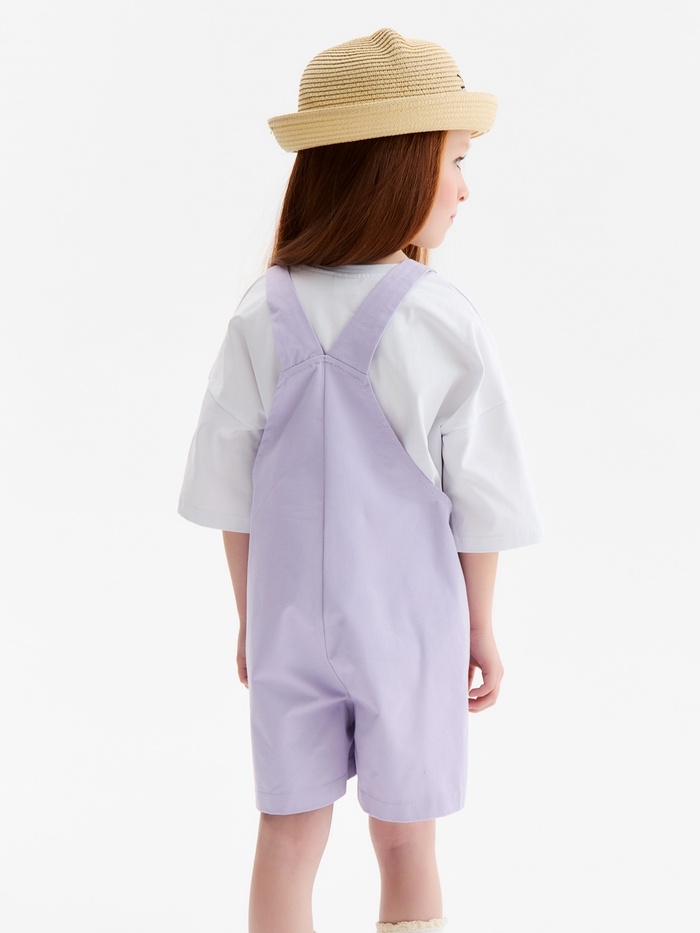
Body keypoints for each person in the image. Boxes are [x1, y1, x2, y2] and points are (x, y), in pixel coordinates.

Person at [177, 26, 543, 933]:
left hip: (289, 625)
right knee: (407, 842)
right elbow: (482, 500)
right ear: (396, 168)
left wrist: (252, 618)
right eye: (456, 161)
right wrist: (480, 625)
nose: (466, 188)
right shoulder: (440, 318)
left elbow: (228, 493)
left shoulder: (260, 313)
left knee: (286, 834)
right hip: (410, 628)